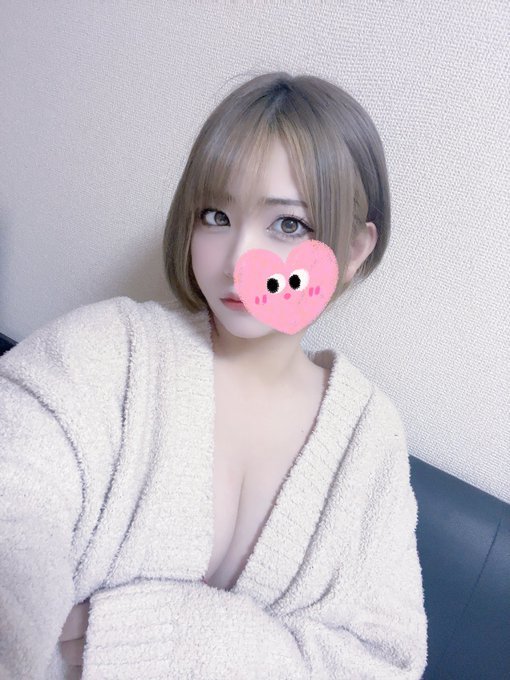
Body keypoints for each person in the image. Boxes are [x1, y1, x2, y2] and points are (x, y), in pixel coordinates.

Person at [0, 71, 428, 679]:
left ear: (354, 250)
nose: (237, 261)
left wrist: (152, 637)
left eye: (288, 224)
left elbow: (384, 662)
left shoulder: (368, 440)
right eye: (215, 215)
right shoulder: (104, 352)